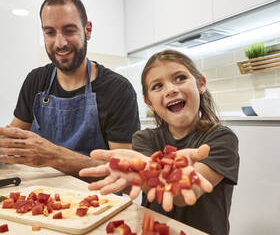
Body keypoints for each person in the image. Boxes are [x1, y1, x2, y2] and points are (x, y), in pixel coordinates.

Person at [79, 50, 239, 235]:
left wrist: (176, 177)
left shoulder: (221, 138)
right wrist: (144, 170)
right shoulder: (144, 138)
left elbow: (181, 196)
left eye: (179, 78)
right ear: (149, 103)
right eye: (157, 86)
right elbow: (152, 181)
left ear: (200, 84)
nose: (171, 89)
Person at [0, 0, 140, 179]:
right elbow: (12, 140)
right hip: (39, 199)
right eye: (50, 32)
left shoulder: (117, 90)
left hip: (99, 203)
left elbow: (125, 172)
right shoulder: (36, 80)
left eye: (69, 30)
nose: (60, 43)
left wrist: (54, 156)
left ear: (87, 30)